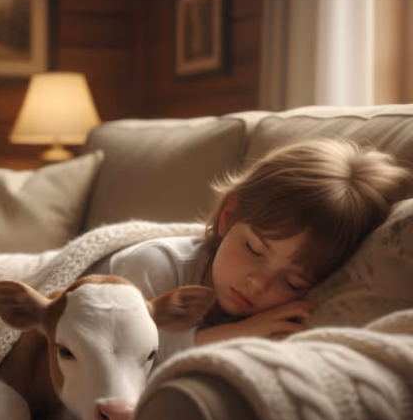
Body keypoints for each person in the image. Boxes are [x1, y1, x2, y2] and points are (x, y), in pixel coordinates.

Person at [86, 138, 413, 366]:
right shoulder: (153, 265)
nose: (258, 283)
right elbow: (114, 353)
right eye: (255, 249)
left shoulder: (281, 312)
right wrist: (232, 334)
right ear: (228, 216)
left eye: (294, 282)